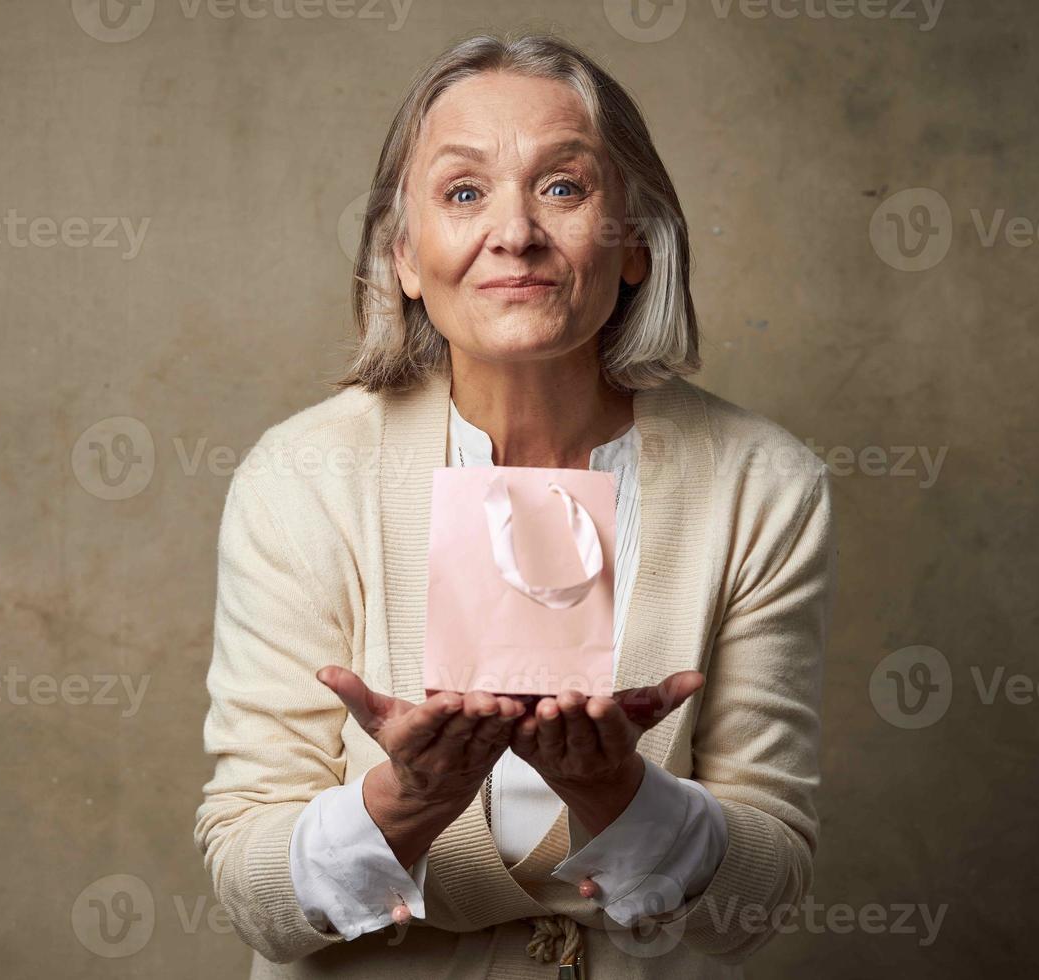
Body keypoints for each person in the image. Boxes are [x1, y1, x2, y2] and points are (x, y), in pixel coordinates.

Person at [194, 30, 836, 980]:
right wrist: (406, 801)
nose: (515, 233)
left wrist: (623, 795)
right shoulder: (301, 478)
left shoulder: (762, 483)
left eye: (564, 187)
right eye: (463, 193)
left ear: (635, 246)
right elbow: (249, 891)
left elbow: (759, 896)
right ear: (405, 256)